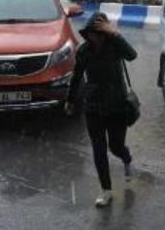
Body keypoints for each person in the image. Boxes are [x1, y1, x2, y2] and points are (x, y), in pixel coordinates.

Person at [66, 12, 138, 208]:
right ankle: (106, 190)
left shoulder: (115, 46)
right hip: (94, 107)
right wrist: (71, 100)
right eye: (92, 33)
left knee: (115, 146)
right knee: (99, 150)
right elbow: (76, 77)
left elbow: (132, 55)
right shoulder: (84, 51)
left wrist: (115, 33)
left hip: (116, 107)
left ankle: (126, 158)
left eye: (99, 33)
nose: (95, 37)